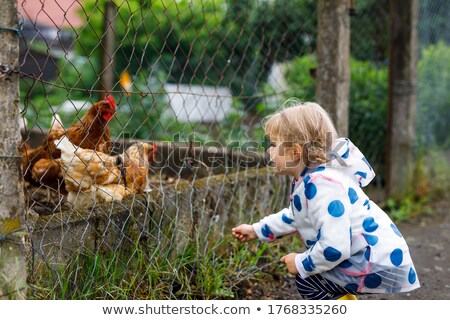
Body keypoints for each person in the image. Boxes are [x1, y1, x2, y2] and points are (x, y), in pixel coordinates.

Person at [232, 101, 420, 300]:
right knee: (314, 277)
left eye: (273, 145)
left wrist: (300, 262)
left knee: (308, 280)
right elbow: (295, 216)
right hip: (373, 259)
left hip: (379, 264)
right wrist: (257, 230)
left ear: (295, 152)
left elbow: (335, 247)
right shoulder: (311, 179)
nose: (269, 151)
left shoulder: (323, 185)